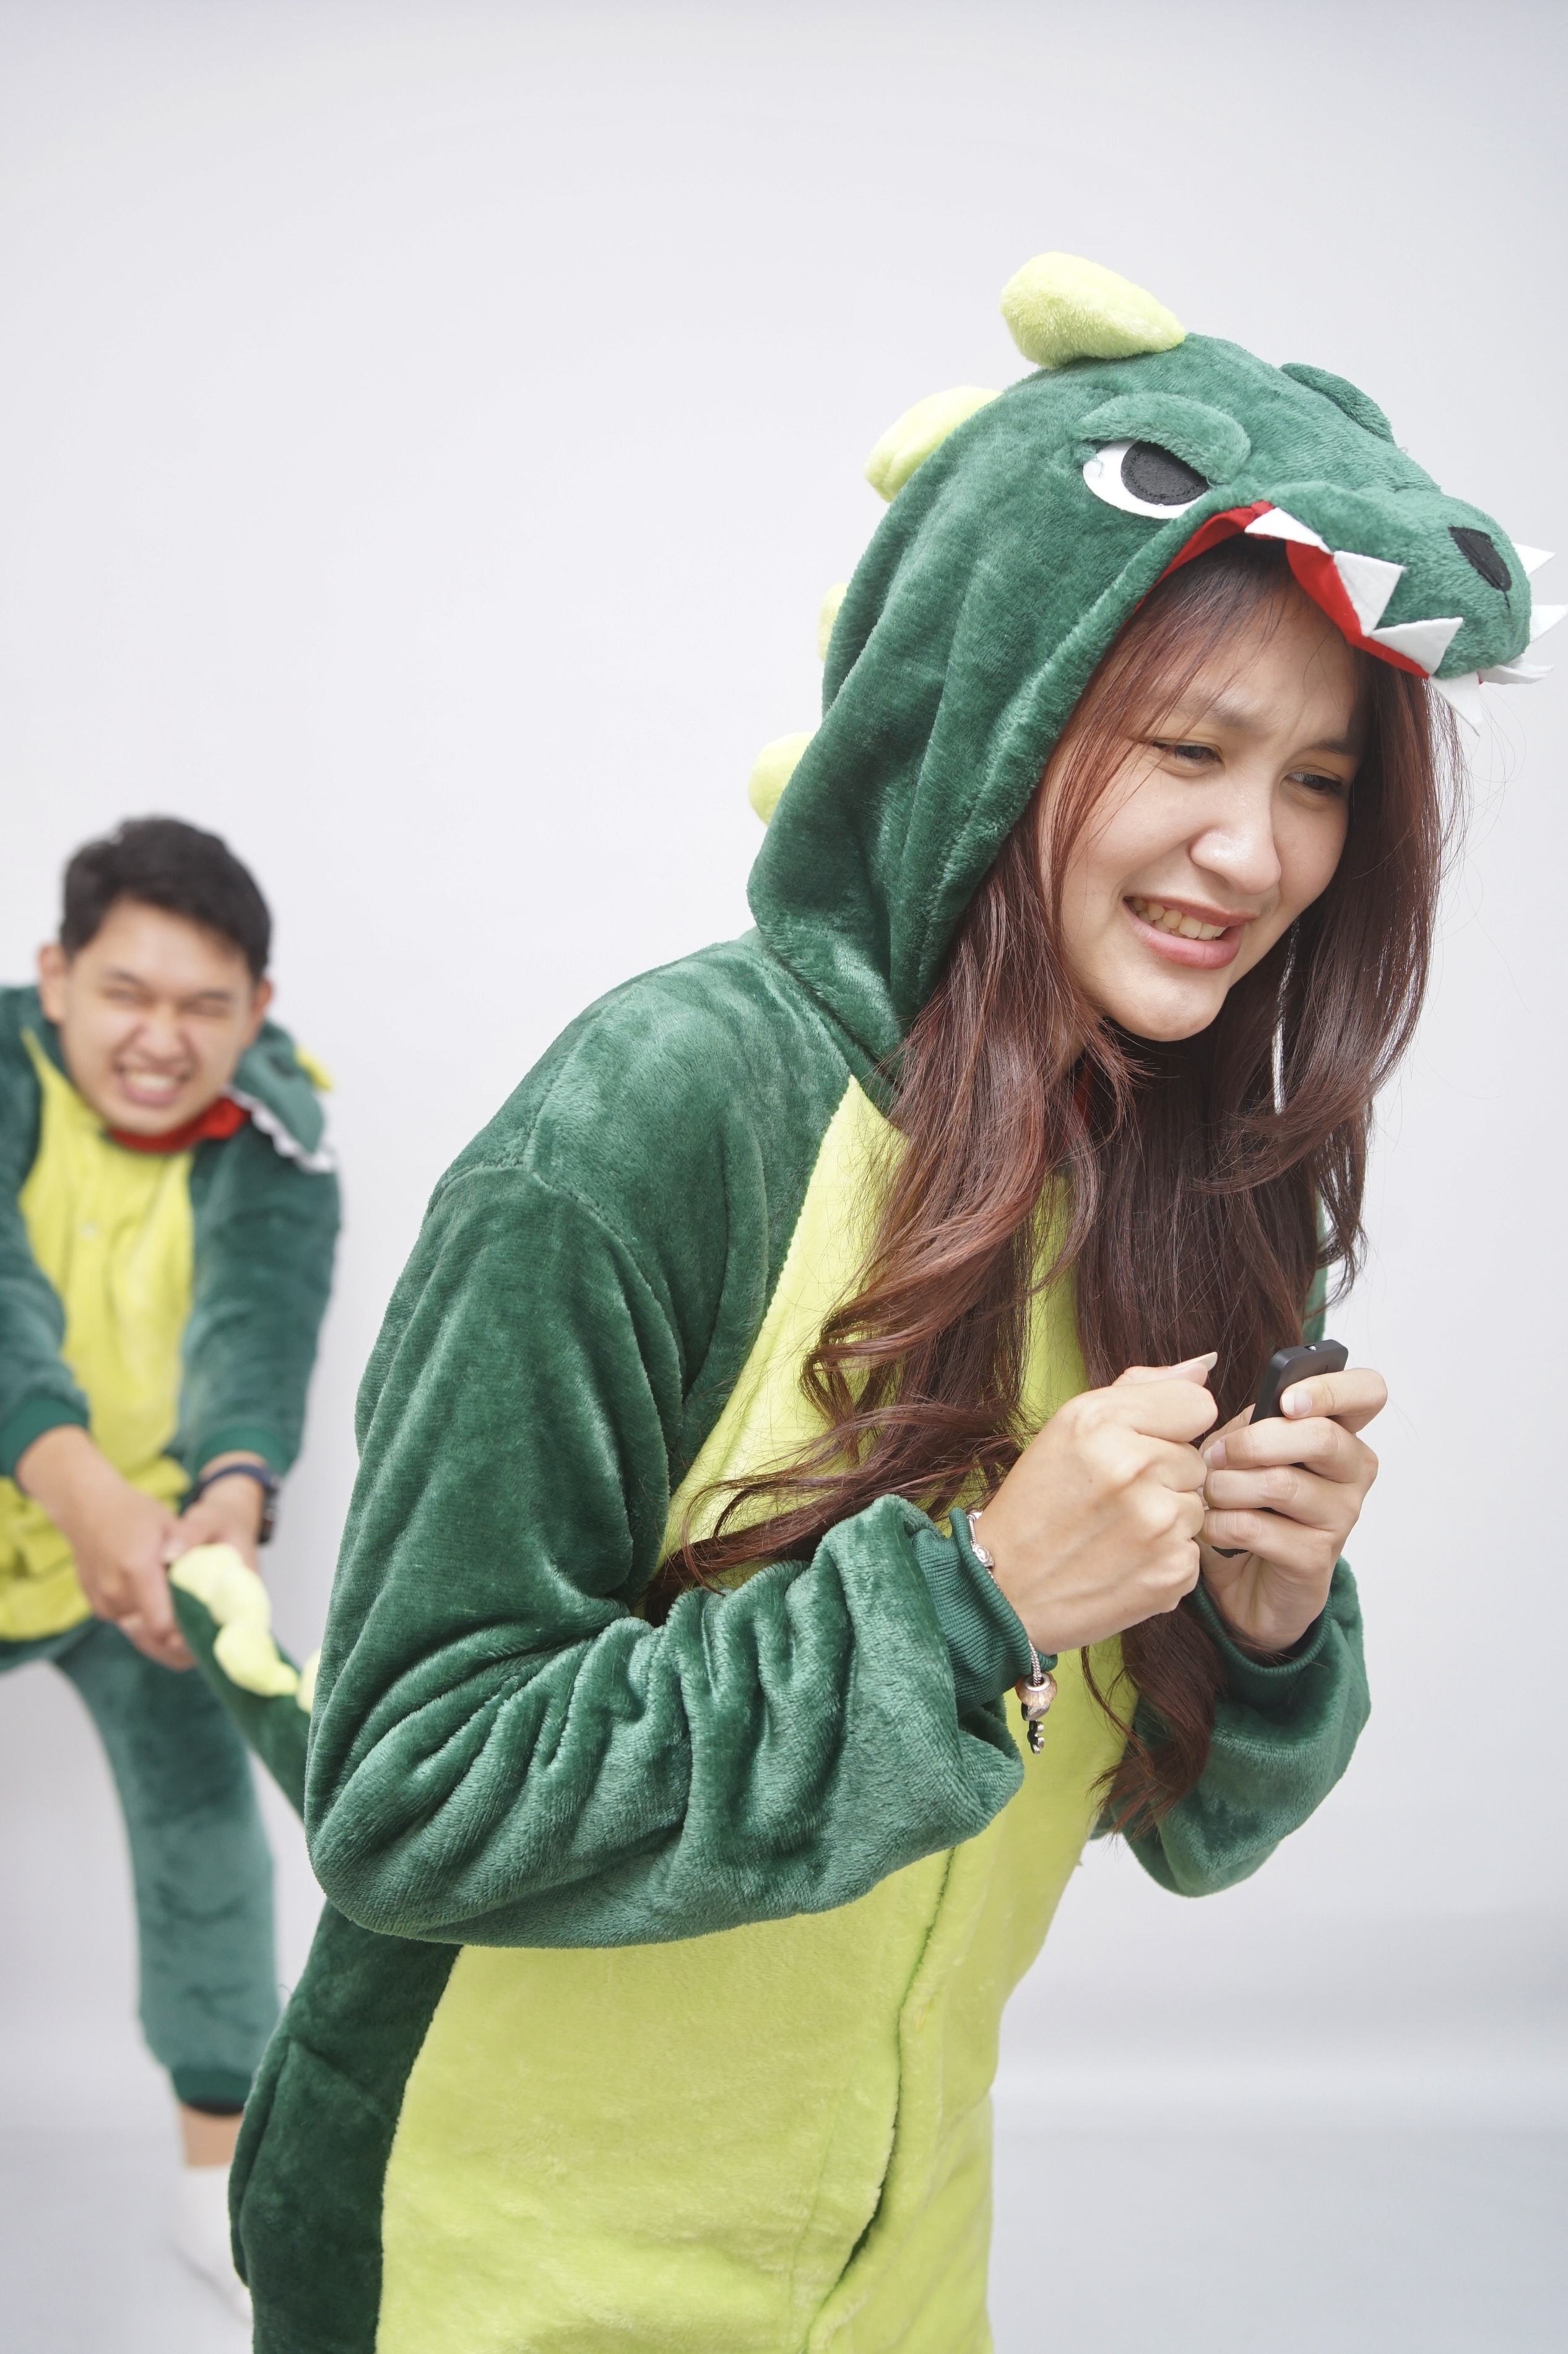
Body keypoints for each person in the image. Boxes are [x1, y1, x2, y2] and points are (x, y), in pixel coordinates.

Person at [202, 254, 1550, 2352]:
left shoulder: (1204, 1200)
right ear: (995, 704)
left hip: (890, 2278)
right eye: (1186, 744)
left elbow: (1190, 1836)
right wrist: (972, 1606)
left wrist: (1260, 1624)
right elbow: (410, 1790)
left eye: (1317, 779)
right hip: (488, 2270)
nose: (1251, 851)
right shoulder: (665, 1112)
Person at [0, 816, 339, 2317]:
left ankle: (220, 2190)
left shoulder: (279, 1132)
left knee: (208, 1838)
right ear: (54, 976)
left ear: (256, 1010)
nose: (161, 1040)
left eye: (205, 1007)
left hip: (136, 1546)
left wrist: (230, 1504)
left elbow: (259, 1330)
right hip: (80, 1503)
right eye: (126, 994)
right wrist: (70, 1484)